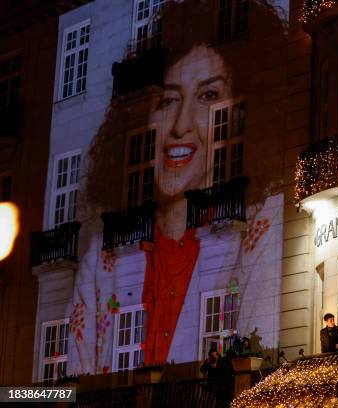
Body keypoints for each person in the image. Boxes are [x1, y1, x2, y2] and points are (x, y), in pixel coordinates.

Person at [70, 0, 286, 374]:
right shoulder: (96, 263)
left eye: (208, 97)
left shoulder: (263, 227)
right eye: (169, 100)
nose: (180, 126)